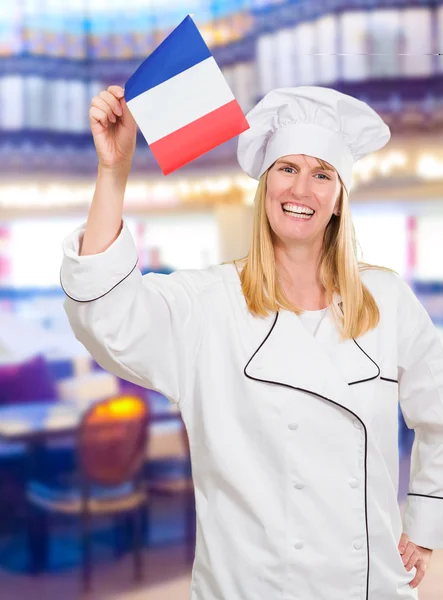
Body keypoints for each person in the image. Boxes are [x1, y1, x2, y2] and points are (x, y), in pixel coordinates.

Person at [60, 84, 443, 600]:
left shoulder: (387, 298)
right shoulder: (210, 303)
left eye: (321, 174)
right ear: (265, 187)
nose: (301, 190)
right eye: (287, 168)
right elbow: (108, 313)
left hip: (369, 586)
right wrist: (114, 171)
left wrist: (425, 518)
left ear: (338, 200)